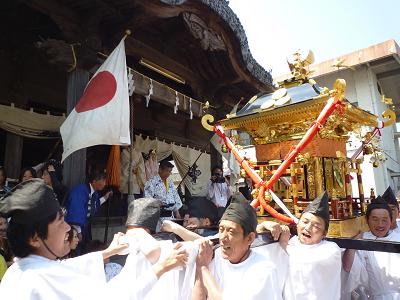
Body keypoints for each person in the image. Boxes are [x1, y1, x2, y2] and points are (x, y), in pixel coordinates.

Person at [0, 179, 188, 299]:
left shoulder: (19, 270)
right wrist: (161, 268)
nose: (67, 228)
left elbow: (69, 267)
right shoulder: (42, 278)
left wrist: (107, 252)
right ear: (34, 238)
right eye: (60, 223)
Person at [192, 194, 287, 300]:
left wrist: (203, 269)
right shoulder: (213, 257)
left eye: (231, 232)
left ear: (250, 238)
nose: (223, 237)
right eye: (221, 229)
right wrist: (199, 270)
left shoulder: (263, 270)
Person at [280, 191, 341, 300]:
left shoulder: (330, 250)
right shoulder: (291, 243)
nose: (307, 228)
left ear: (324, 233)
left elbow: (306, 261)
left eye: (316, 226)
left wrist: (283, 245)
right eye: (305, 221)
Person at [342, 197, 400, 299]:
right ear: (367, 220)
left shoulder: (397, 238)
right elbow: (348, 267)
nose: (380, 224)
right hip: (375, 296)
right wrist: (354, 242)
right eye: (375, 219)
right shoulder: (363, 239)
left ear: (391, 220)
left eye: (384, 220)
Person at [64, 169, 112, 247]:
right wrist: (78, 232)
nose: (104, 184)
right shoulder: (80, 191)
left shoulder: (94, 193)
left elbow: (95, 204)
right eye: (103, 181)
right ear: (94, 180)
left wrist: (105, 197)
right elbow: (76, 212)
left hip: (85, 227)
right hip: (73, 229)